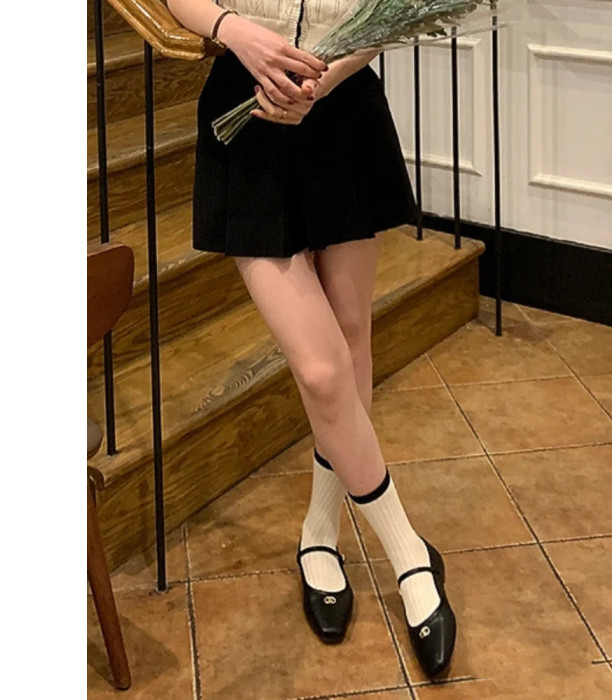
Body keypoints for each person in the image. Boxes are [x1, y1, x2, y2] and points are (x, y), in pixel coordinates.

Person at [167, 0, 456, 678]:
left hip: (343, 107)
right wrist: (236, 33)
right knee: (323, 372)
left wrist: (323, 81)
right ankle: (409, 554)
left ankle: (320, 532)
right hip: (247, 113)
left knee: (351, 340)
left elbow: (391, 9)